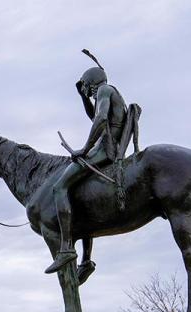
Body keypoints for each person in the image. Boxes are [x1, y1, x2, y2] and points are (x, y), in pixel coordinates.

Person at [45, 57, 130, 274]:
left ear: (92, 82)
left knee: (59, 187)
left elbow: (100, 120)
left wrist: (84, 149)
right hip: (106, 149)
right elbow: (95, 115)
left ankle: (65, 249)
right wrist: (83, 98)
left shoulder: (104, 90)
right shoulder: (110, 92)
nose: (88, 91)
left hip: (103, 151)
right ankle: (86, 262)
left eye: (86, 87)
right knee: (79, 193)